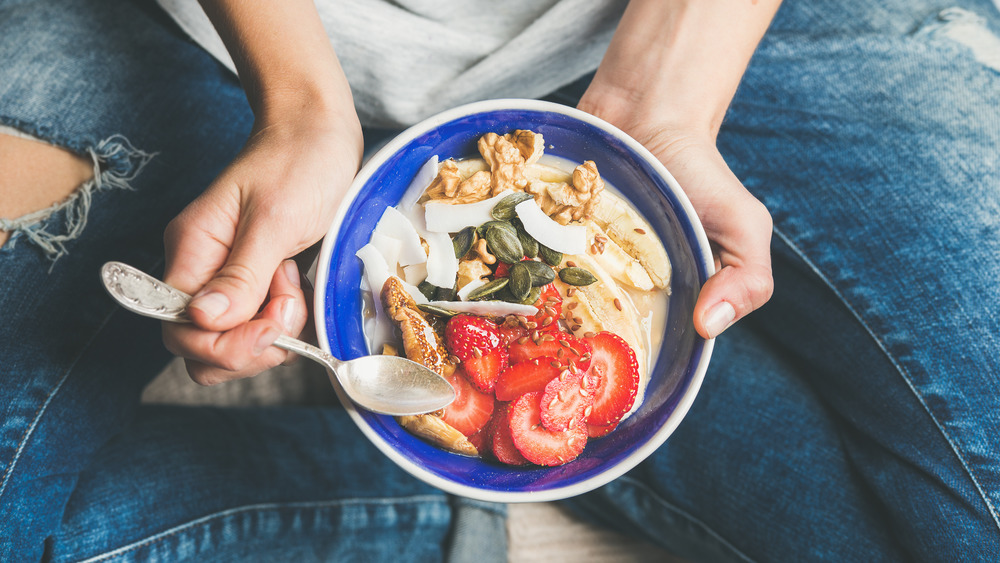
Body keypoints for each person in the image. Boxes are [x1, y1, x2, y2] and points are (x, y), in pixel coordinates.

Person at [1, 0, 997, 560]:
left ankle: (625, 427)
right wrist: (298, 98)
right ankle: (429, 503)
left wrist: (669, 88)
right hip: (208, 35)